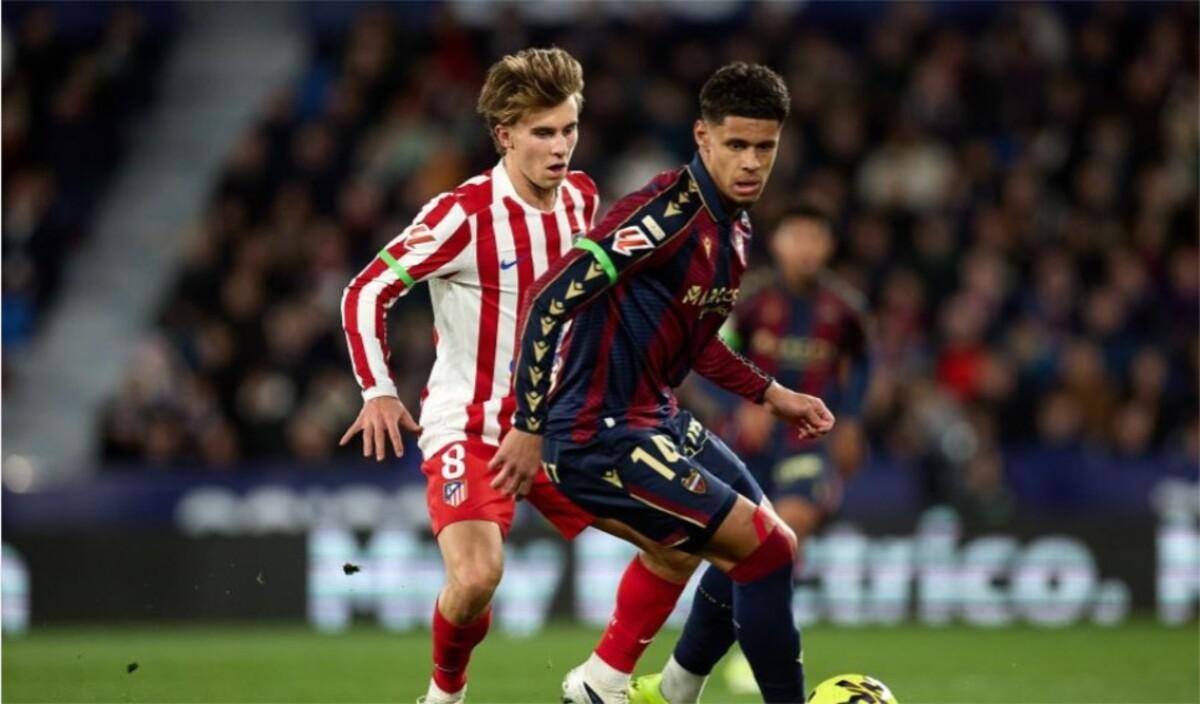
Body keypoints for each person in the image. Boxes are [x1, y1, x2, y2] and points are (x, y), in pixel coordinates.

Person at [339, 47, 696, 704]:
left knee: (680, 542)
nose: (560, 147)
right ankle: (444, 696)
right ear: (505, 134)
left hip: (564, 427)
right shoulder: (463, 215)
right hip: (472, 428)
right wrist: (379, 391)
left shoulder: (582, 198)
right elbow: (366, 292)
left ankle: (602, 683)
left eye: (568, 129)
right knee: (476, 579)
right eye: (542, 132)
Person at [491, 62, 834, 704]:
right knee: (766, 552)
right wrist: (527, 426)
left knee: (762, 537)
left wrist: (771, 394)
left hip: (657, 415)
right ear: (702, 137)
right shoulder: (660, 216)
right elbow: (549, 300)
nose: (752, 161)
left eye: (765, 146)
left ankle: (637, 689)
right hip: (598, 433)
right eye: (736, 144)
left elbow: (695, 342)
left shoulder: (735, 225)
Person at [639, 204, 873, 702]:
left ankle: (754, 646)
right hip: (746, 442)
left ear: (828, 247)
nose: (807, 248)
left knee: (789, 526)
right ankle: (751, 635)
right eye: (797, 235)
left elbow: (860, 365)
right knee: (745, 545)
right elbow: (704, 353)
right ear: (780, 243)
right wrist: (739, 403)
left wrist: (851, 420)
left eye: (816, 237)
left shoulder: (843, 309)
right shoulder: (750, 300)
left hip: (806, 439)